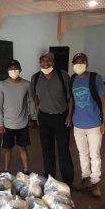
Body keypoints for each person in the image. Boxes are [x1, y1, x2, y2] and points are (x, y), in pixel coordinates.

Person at [31, 52, 74, 188]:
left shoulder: (63, 76)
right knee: (46, 149)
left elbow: (70, 98)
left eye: (49, 61)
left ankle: (68, 181)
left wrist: (69, 115)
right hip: (44, 118)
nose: (46, 63)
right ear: (39, 63)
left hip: (61, 117)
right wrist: (37, 113)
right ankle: (50, 178)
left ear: (53, 62)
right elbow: (35, 97)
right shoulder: (36, 78)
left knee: (63, 149)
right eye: (43, 61)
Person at [70, 53, 105, 197]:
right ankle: (85, 179)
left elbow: (104, 101)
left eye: (82, 61)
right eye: (76, 62)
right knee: (82, 154)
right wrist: (70, 116)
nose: (79, 64)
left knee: (95, 155)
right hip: (78, 124)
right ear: (72, 64)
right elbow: (72, 100)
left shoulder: (95, 78)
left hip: (94, 125)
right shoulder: (73, 79)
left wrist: (104, 122)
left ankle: (95, 183)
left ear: (87, 63)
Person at [0, 60, 36, 174]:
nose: (13, 71)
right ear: (7, 70)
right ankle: (6, 170)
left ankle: (26, 170)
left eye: (16, 68)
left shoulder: (27, 84)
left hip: (22, 123)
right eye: (11, 69)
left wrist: (31, 116)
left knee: (23, 148)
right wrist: (0, 123)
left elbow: (32, 101)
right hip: (7, 124)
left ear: (20, 70)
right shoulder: (2, 85)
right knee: (7, 149)